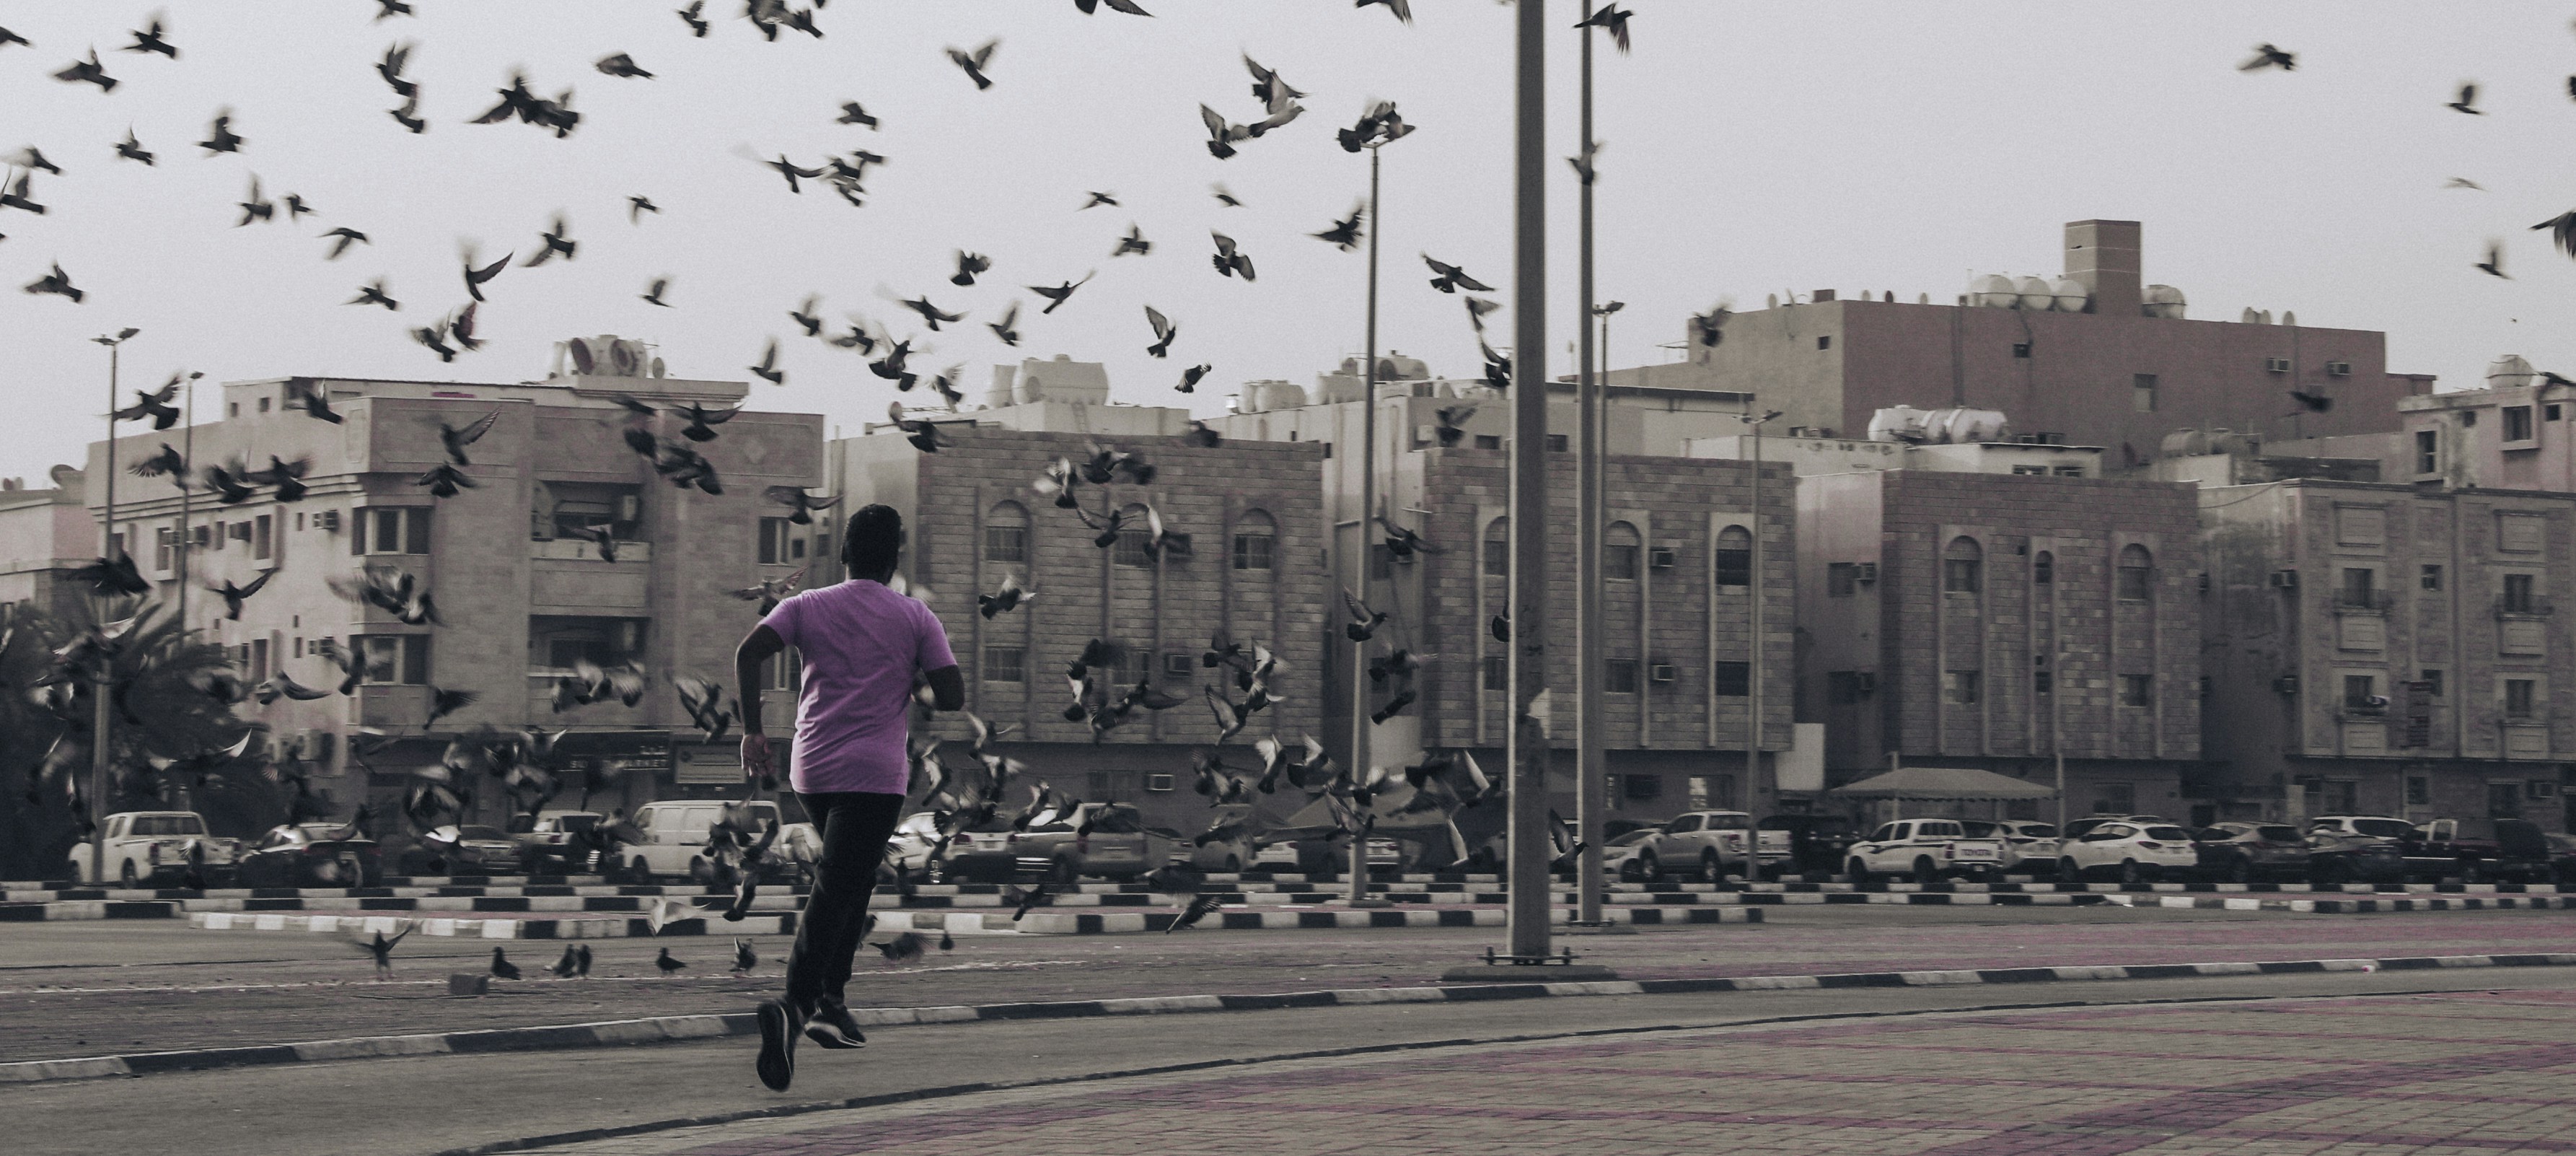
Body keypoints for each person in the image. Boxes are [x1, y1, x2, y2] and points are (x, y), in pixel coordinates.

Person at [737, 504, 962, 1093]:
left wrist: (752, 731)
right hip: (873, 775)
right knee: (839, 882)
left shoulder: (806, 605)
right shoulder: (915, 616)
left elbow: (748, 654)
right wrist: (911, 675)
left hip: (811, 769)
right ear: (894, 558)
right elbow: (953, 695)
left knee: (852, 878)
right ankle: (795, 1005)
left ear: (843, 553)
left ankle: (832, 1003)